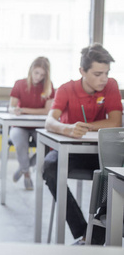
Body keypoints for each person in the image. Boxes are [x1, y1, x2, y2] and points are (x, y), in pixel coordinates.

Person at [43, 43, 123, 245]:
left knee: (116, 172)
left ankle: (96, 235)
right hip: (71, 152)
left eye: (106, 73)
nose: (103, 79)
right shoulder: (66, 89)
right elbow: (49, 121)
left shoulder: (111, 85)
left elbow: (115, 122)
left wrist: (86, 127)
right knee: (50, 167)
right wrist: (67, 129)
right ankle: (83, 231)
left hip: (99, 153)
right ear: (82, 71)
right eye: (97, 74)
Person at [9, 57, 55, 190]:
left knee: (47, 148)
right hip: (19, 125)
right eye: (36, 73)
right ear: (31, 70)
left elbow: (47, 111)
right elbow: (11, 107)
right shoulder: (19, 83)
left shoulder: (48, 86)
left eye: (42, 75)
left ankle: (23, 168)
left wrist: (23, 110)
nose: (38, 77)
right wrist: (15, 110)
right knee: (20, 144)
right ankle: (27, 175)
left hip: (39, 127)